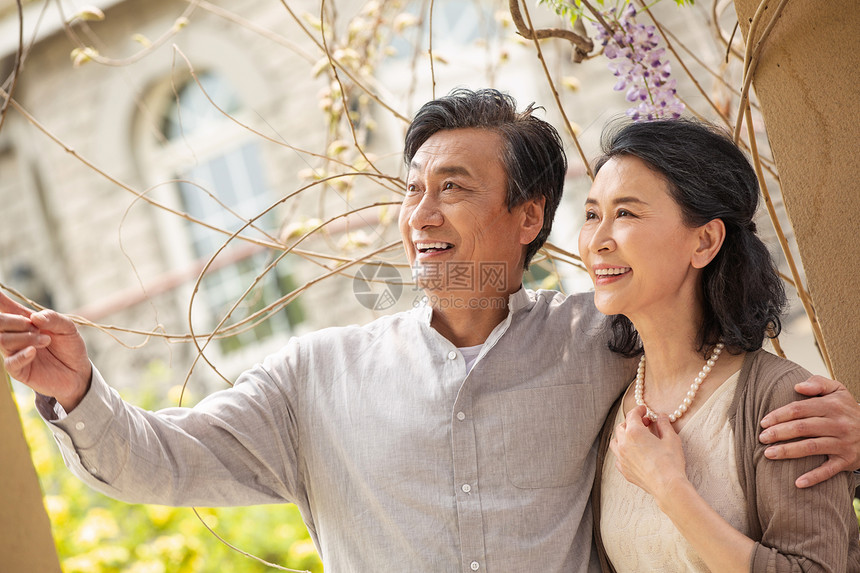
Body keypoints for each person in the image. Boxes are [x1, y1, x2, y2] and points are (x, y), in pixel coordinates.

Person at [0, 89, 857, 572]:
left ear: (527, 216)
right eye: (413, 188)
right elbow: (156, 460)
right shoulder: (314, 375)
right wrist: (77, 389)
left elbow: (716, 361)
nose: (420, 214)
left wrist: (851, 429)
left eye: (452, 187)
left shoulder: (599, 344)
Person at [579, 118, 860, 572]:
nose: (597, 241)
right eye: (592, 214)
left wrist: (669, 487)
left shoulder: (784, 402)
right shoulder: (617, 400)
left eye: (626, 213)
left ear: (705, 241)